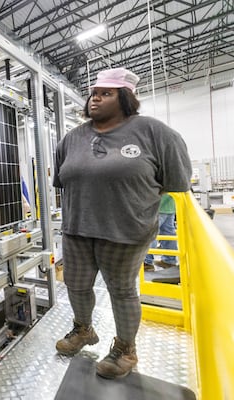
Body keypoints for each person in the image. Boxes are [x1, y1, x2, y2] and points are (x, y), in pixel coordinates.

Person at [52, 67, 192, 379]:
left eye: (106, 93)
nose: (96, 98)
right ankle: (83, 329)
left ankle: (125, 349)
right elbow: (61, 181)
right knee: (75, 285)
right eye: (94, 92)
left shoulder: (154, 132)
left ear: (125, 97)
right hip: (76, 229)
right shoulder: (72, 138)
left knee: (121, 290)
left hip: (126, 231)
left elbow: (176, 182)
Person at [144, 194, 178, 270]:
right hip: (170, 206)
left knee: (151, 234)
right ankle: (169, 261)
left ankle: (147, 263)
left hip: (156, 206)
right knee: (169, 234)